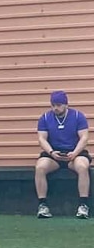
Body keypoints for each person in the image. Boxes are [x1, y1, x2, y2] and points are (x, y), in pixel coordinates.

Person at [35, 91, 90, 219]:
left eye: (59, 105)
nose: (56, 108)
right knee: (40, 167)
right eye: (53, 105)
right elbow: (42, 139)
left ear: (66, 104)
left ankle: (83, 205)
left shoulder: (78, 116)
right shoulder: (45, 118)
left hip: (75, 153)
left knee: (82, 166)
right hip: (54, 154)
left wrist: (75, 153)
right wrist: (51, 152)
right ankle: (42, 205)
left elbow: (84, 138)